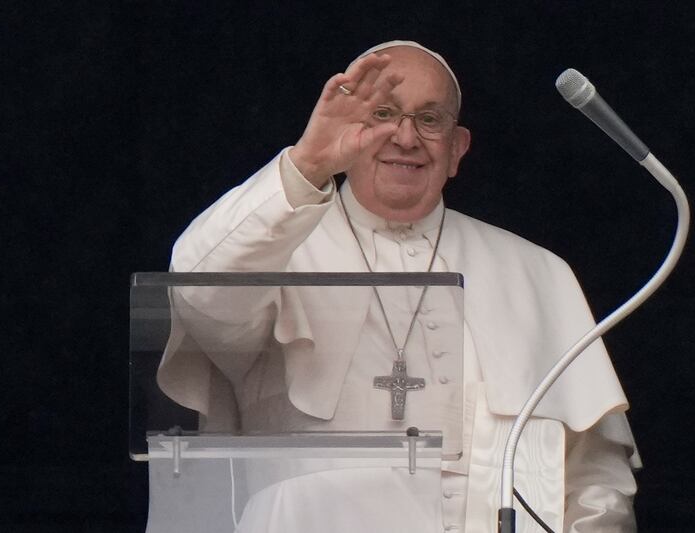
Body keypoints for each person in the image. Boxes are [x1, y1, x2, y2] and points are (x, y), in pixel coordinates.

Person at [158, 41, 638, 532]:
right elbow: (199, 290)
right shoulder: (275, 249)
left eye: (430, 120)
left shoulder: (539, 274)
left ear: (457, 149)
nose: (405, 138)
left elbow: (593, 476)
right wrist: (308, 163)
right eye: (383, 115)